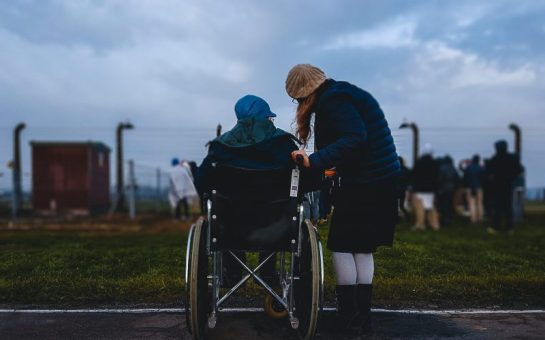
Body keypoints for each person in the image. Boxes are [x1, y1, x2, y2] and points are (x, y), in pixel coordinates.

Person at [285, 64, 400, 334]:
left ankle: (348, 316)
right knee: (362, 247)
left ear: (306, 94)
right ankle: (362, 317)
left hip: (366, 182)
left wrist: (312, 161)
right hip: (380, 180)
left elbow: (354, 138)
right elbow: (355, 143)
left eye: (298, 99)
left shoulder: (333, 101)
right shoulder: (344, 93)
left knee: (342, 245)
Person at [195, 94, 302, 287]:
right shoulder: (284, 144)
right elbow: (304, 181)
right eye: (270, 117)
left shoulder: (220, 147)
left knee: (226, 214)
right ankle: (268, 273)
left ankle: (234, 272)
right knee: (274, 213)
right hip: (275, 225)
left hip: (230, 225)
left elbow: (202, 181)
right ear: (265, 118)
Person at [486, 140, 523, 234]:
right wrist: (511, 177)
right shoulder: (512, 158)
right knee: (508, 207)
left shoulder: (495, 158)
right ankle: (509, 227)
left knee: (497, 207)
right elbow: (519, 170)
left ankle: (495, 227)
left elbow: (488, 172)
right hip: (508, 184)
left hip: (497, 185)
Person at [411, 144, 440, 230]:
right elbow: (437, 177)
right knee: (431, 207)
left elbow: (414, 176)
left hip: (419, 189)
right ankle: (434, 224)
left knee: (420, 207)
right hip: (431, 189)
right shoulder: (435, 164)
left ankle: (420, 224)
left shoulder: (419, 162)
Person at [436, 155, 460, 227]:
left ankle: (443, 219)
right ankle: (449, 218)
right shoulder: (453, 169)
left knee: (443, 205)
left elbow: (439, 179)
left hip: (442, 190)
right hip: (451, 190)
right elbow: (457, 180)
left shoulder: (441, 168)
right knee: (449, 204)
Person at [464, 155, 485, 223]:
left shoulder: (468, 167)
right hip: (479, 187)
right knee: (480, 203)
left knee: (472, 203)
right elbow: (483, 178)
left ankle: (473, 219)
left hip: (470, 187)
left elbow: (465, 178)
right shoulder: (481, 168)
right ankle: (480, 218)